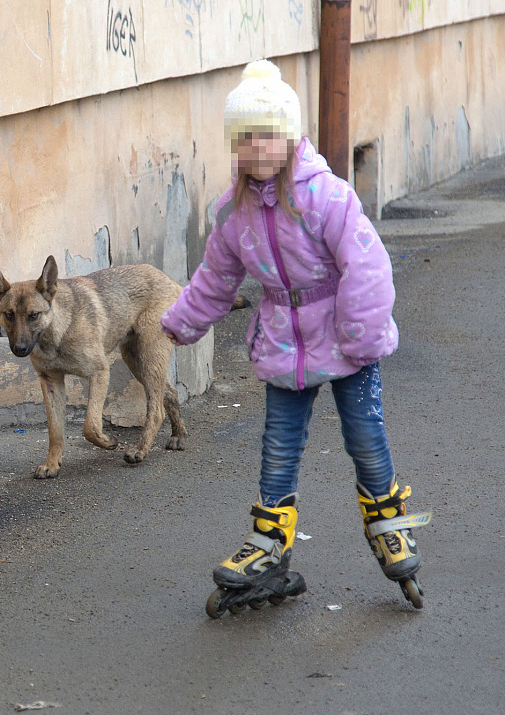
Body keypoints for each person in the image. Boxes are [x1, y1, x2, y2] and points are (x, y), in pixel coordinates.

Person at [161, 59, 431, 609]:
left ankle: (388, 523)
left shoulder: (326, 196)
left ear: (289, 137)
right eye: (242, 138)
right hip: (284, 342)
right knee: (279, 445)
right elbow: (215, 279)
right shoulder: (232, 212)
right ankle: (269, 545)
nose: (252, 148)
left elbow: (368, 265)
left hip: (346, 337)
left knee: (365, 438)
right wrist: (179, 324)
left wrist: (358, 335)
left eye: (264, 135)